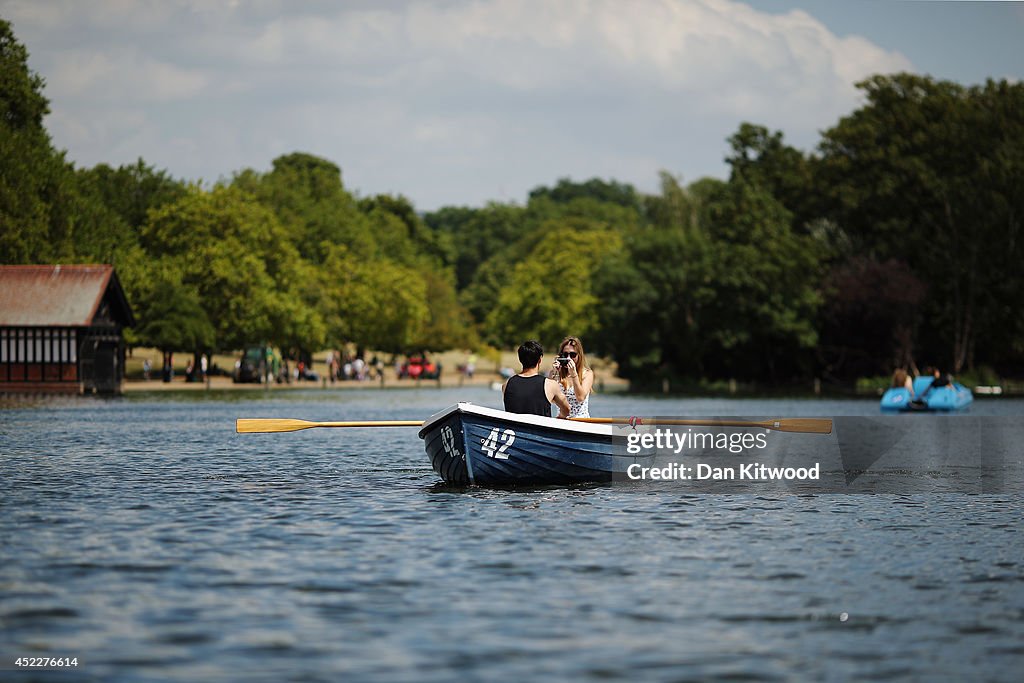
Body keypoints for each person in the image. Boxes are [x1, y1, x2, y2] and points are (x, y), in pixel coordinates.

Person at [503, 340, 571, 418]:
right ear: (540, 359)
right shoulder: (550, 385)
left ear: (520, 359)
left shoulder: (507, 384)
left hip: (514, 429)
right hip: (539, 429)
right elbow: (567, 409)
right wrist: (558, 419)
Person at [548, 336, 594, 418]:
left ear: (579, 356)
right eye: (565, 354)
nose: (569, 358)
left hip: (581, 421)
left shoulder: (587, 374)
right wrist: (555, 374)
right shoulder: (555, 373)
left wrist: (574, 375)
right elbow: (549, 399)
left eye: (573, 355)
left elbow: (580, 398)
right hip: (562, 421)